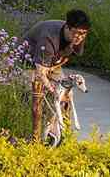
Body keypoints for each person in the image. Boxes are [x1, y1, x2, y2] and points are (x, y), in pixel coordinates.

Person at [22, 10, 90, 142]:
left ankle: (60, 132)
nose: (79, 37)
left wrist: (61, 86)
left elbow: (67, 57)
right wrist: (53, 89)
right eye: (76, 33)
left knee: (66, 95)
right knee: (40, 94)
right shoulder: (49, 37)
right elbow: (40, 72)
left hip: (53, 63)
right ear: (67, 27)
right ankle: (35, 135)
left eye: (83, 34)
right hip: (28, 63)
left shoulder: (79, 36)